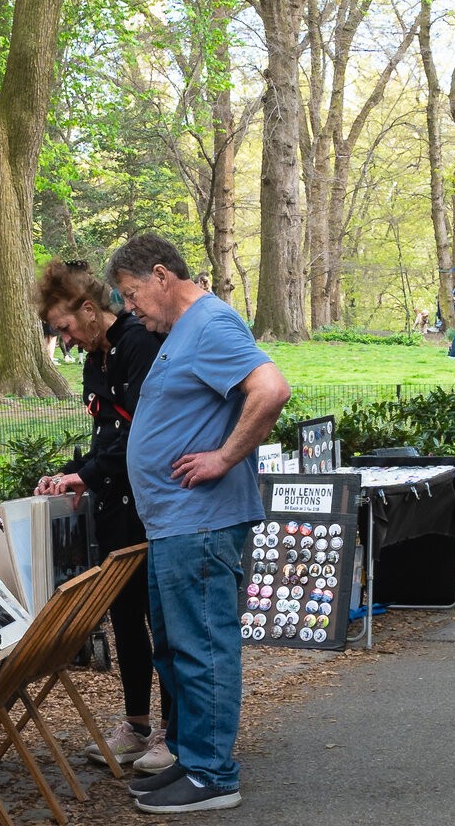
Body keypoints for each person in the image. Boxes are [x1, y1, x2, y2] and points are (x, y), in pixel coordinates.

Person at [110, 233, 291, 814]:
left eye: (133, 294)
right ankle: (191, 760)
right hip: (175, 524)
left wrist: (223, 457)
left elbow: (271, 388)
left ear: (162, 276)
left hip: (202, 522)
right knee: (177, 647)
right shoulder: (178, 331)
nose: (131, 307)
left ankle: (214, 775)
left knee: (204, 647)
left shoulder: (211, 323)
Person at [32, 259, 174, 774]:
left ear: (89, 310)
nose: (63, 338)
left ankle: (173, 731)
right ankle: (136, 725)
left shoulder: (140, 344)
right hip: (115, 509)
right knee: (125, 619)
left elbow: (143, 436)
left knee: (163, 621)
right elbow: (106, 436)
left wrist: (87, 476)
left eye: (65, 326)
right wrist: (70, 472)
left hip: (153, 507)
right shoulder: (96, 359)